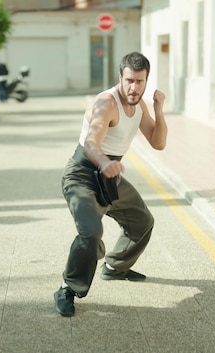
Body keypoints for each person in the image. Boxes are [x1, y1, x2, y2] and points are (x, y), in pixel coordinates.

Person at [54, 52, 168, 317]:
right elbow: (93, 141)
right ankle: (67, 288)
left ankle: (115, 267)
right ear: (120, 77)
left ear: (146, 80)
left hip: (109, 174)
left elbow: (158, 142)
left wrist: (159, 111)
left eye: (140, 82)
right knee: (91, 233)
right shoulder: (107, 103)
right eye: (129, 80)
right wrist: (105, 162)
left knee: (142, 221)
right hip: (82, 174)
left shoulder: (139, 105)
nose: (134, 87)